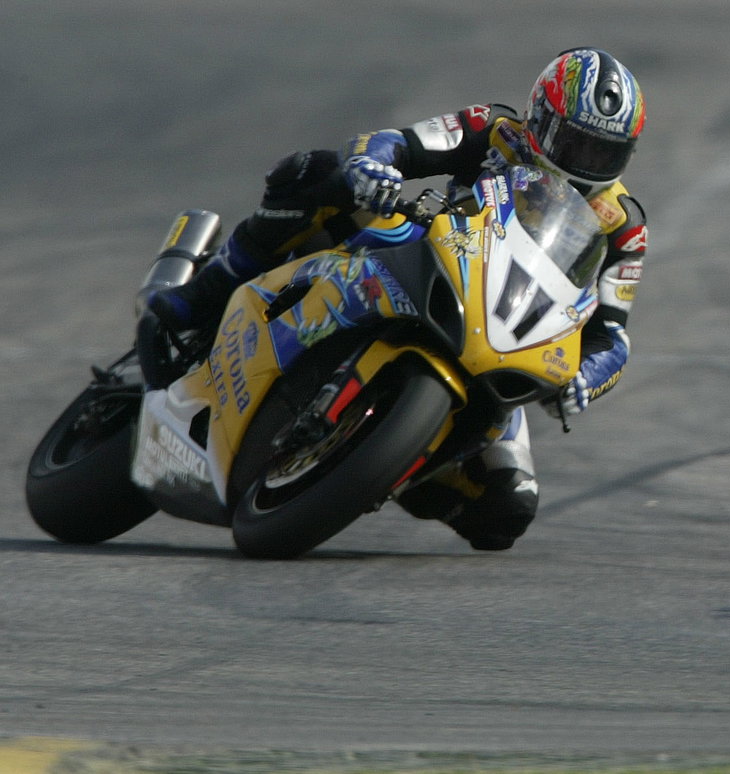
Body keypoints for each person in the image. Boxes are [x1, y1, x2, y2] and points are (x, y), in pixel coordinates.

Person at [145, 47, 649, 551]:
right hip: (431, 246)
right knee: (313, 175)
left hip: (506, 328)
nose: (583, 164)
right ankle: (203, 294)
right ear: (541, 116)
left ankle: (398, 466)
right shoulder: (496, 128)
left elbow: (612, 334)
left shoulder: (624, 225)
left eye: (602, 154)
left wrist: (587, 378)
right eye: (575, 145)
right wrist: (374, 165)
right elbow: (398, 143)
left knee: (506, 510)